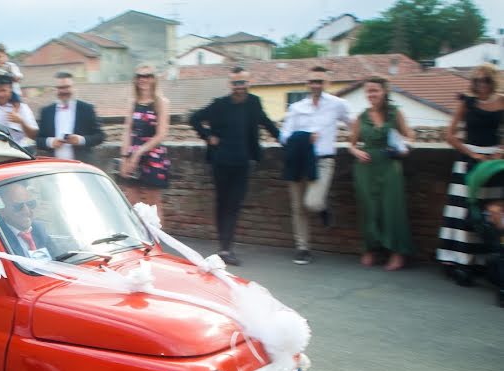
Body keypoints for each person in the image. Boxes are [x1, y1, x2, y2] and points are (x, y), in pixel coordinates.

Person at [190, 67, 280, 265]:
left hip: (243, 162)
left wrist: (284, 140)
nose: (239, 87)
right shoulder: (220, 105)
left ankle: (226, 247)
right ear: (230, 84)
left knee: (235, 205)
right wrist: (208, 136)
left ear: (248, 83)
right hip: (221, 161)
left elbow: (265, 122)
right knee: (223, 203)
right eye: (235, 83)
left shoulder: (254, 102)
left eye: (242, 83)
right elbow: (194, 118)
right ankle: (224, 248)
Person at [437, 63, 503, 285]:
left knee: (490, 213)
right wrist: (472, 155)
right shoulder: (467, 102)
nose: (481, 85)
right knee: (466, 212)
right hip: (469, 159)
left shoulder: (502, 101)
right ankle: (461, 260)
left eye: (485, 80)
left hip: (494, 163)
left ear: (492, 81)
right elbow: (450, 135)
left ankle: (485, 261)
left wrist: (500, 152)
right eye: (477, 81)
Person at [279, 66, 352, 265]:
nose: (315, 85)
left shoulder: (338, 104)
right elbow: (284, 136)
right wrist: (303, 137)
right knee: (297, 207)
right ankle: (302, 248)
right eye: (312, 81)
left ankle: (323, 208)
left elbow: (354, 125)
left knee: (312, 202)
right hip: (299, 159)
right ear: (307, 83)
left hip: (323, 159)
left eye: (319, 81)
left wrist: (357, 144)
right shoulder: (296, 108)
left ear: (327, 83)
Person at [349, 76, 415, 271]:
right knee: (369, 209)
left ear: (384, 91)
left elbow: (410, 136)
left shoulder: (395, 113)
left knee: (392, 209)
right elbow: (351, 144)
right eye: (368, 91)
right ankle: (370, 249)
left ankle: (397, 252)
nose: (371, 94)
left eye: (375, 90)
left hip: (390, 165)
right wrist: (357, 151)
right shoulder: (362, 117)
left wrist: (404, 147)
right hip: (366, 168)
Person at [119, 64, 171, 216]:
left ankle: (156, 239)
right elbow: (127, 129)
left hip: (152, 155)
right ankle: (139, 239)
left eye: (147, 76)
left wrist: (138, 153)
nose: (143, 79)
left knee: (152, 204)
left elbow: (161, 134)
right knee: (131, 202)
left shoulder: (161, 102)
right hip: (132, 154)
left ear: (154, 79)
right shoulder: (132, 102)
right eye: (139, 76)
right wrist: (124, 157)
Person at [37, 72, 105, 163]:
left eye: (67, 87)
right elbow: (38, 140)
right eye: (60, 88)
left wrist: (81, 140)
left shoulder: (87, 109)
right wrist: (50, 142)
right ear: (55, 89)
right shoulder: (46, 112)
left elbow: (100, 136)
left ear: (73, 87)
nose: (64, 91)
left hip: (82, 167)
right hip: (54, 168)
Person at [0, 182, 57, 258]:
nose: (27, 211)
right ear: (2, 211)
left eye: (31, 204)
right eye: (18, 206)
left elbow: (57, 259)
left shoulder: (38, 228)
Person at [0, 74, 38, 146]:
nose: (0, 94)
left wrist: (21, 122)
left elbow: (34, 136)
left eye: (3, 90)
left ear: (11, 89)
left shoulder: (22, 108)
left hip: (16, 151)